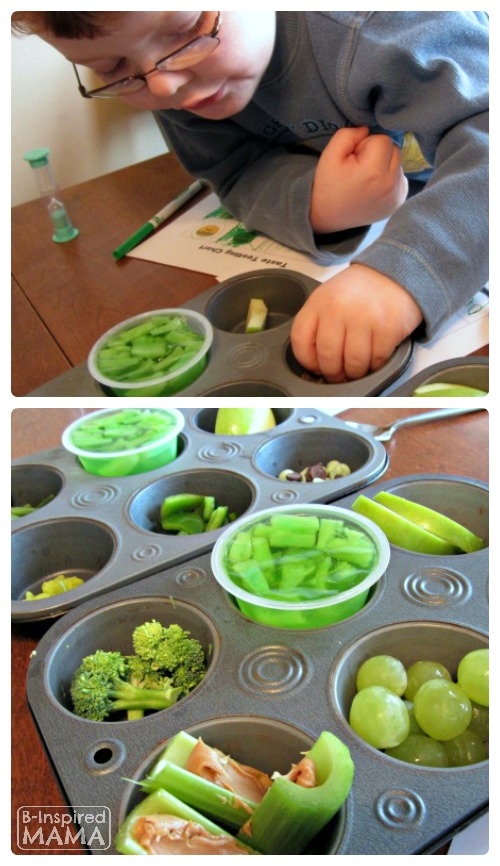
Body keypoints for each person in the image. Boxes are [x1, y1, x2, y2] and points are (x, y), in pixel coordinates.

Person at [12, 11, 489, 382]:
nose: (163, 83)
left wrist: (402, 276)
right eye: (111, 68)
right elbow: (234, 170)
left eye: (186, 28)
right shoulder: (169, 80)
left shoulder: (381, 23)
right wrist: (320, 206)